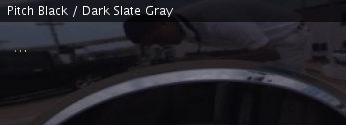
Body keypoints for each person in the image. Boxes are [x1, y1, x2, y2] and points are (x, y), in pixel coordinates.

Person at [123, 0, 311, 69]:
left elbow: (269, 53)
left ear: (162, 22)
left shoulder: (216, 21)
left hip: (289, 39)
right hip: (272, 43)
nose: (162, 44)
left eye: (158, 39)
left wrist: (208, 62)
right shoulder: (183, 26)